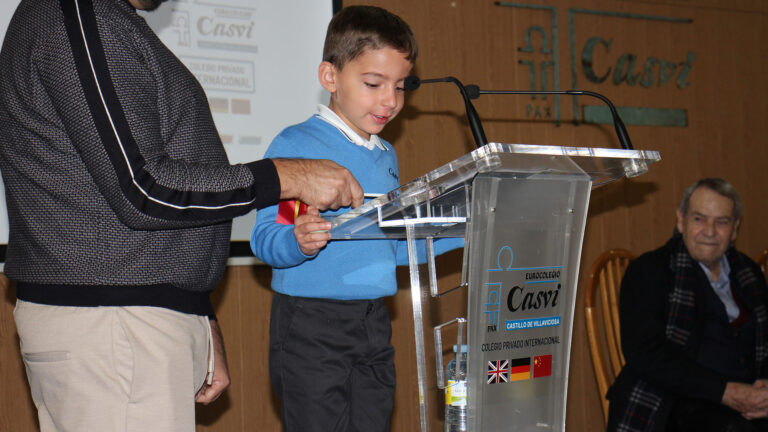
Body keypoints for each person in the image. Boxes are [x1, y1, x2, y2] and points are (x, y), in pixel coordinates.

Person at [0, 0, 363, 431]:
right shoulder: (76, 12)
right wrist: (283, 177)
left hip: (131, 322)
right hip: (113, 326)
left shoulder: (106, 19)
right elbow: (142, 187)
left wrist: (197, 312)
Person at [250, 6, 463, 432]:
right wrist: (298, 240)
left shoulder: (385, 154)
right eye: (373, 84)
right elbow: (267, 235)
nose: (391, 100)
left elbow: (391, 246)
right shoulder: (299, 145)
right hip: (312, 323)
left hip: (373, 321)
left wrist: (468, 228)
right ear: (330, 77)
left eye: (400, 87)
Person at [607, 178, 768, 432]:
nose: (710, 231)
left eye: (722, 222)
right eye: (699, 219)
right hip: (673, 402)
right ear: (681, 220)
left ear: (735, 229)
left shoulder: (749, 274)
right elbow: (646, 353)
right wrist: (724, 391)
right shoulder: (650, 271)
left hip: (748, 399)